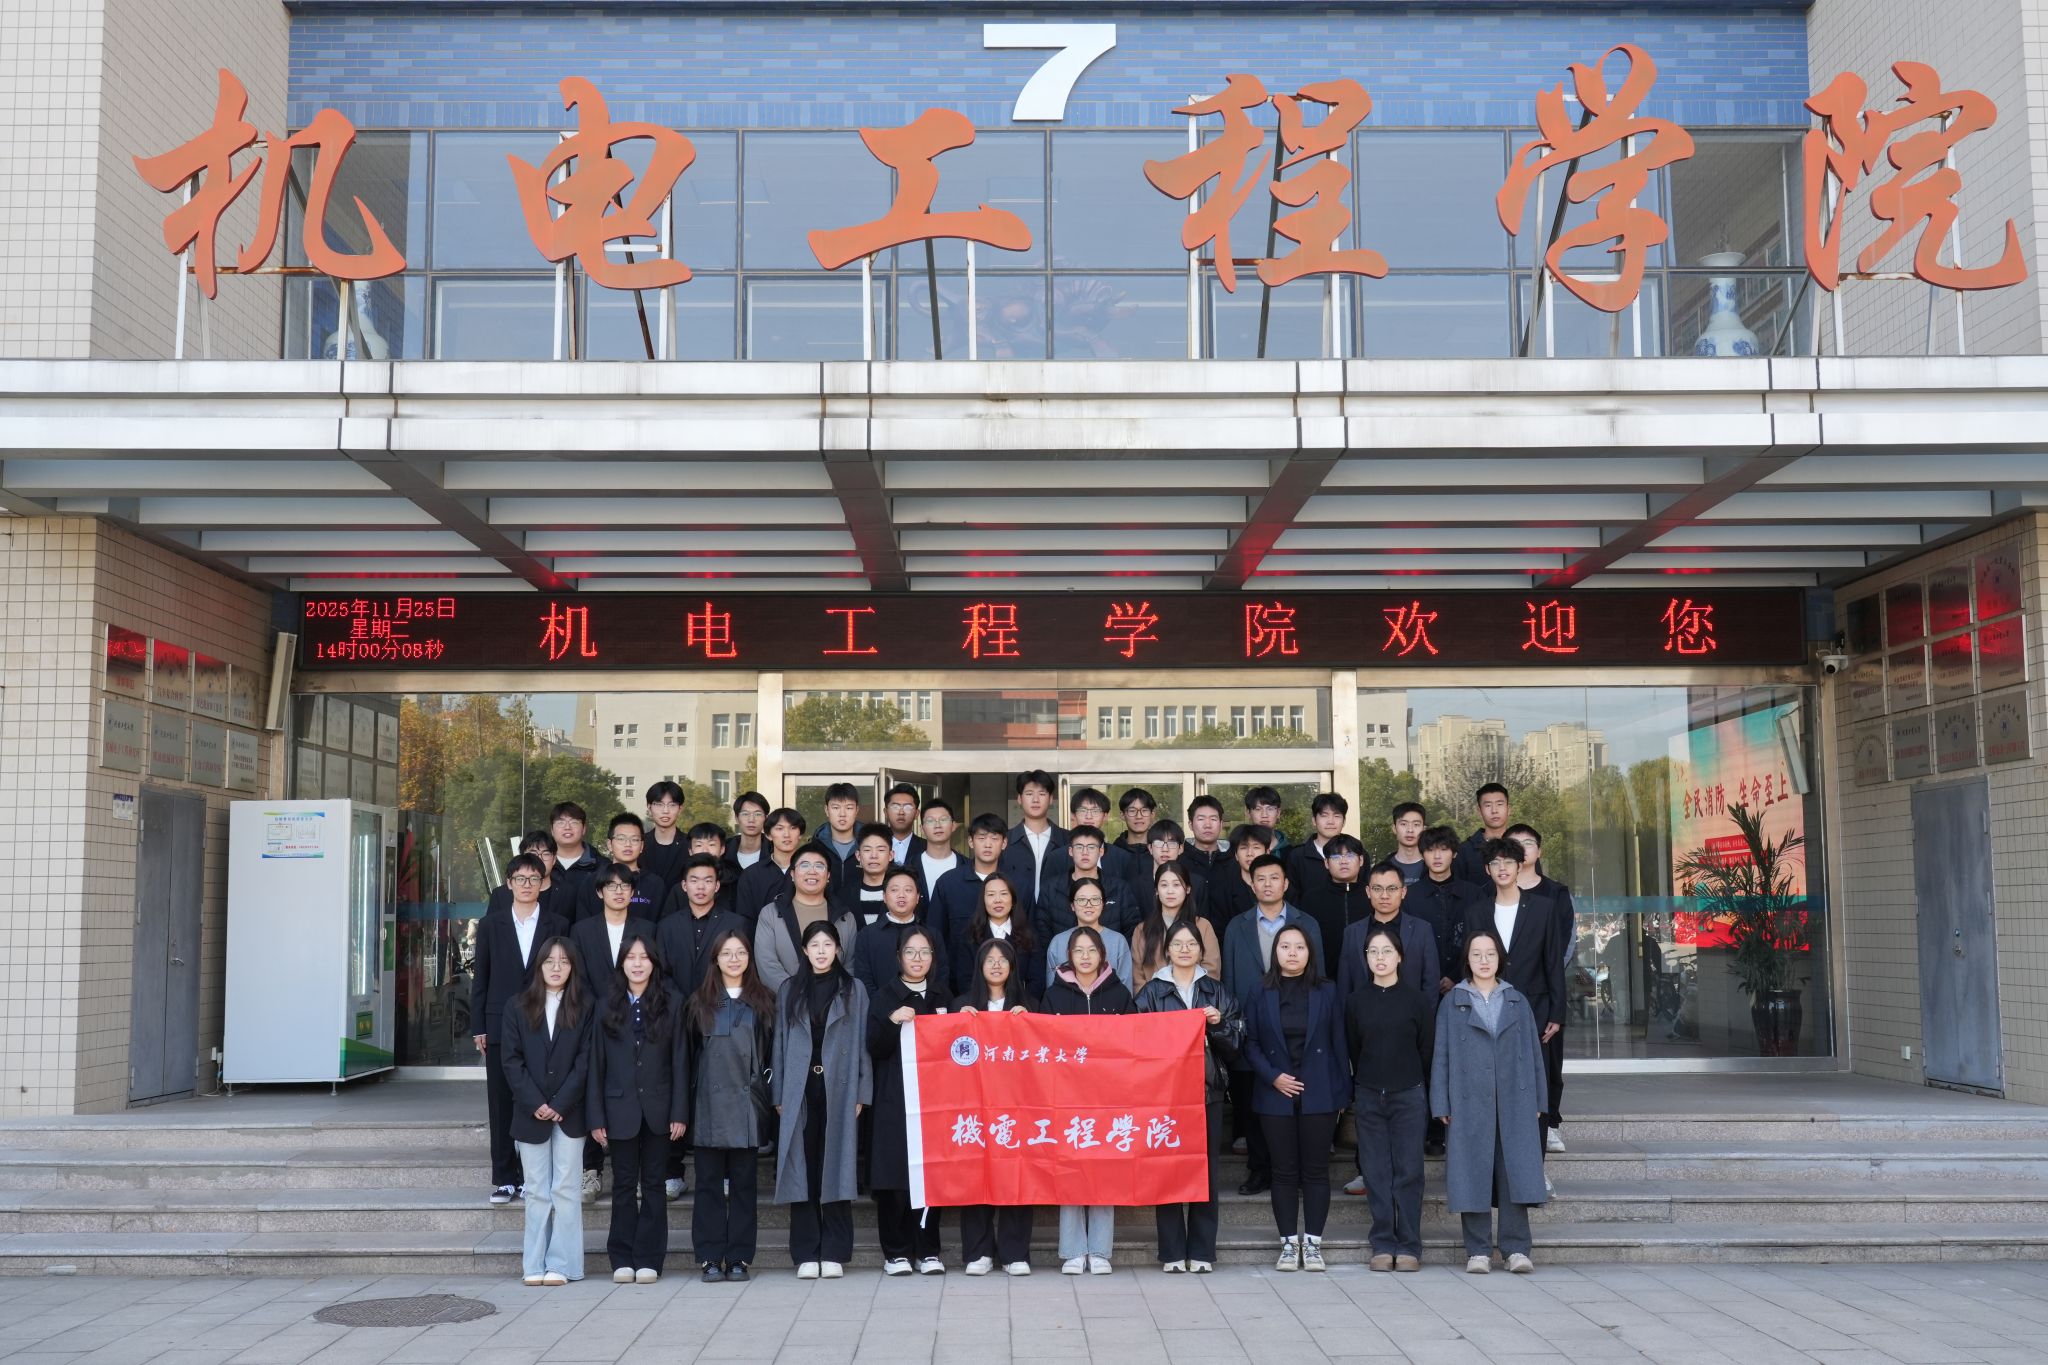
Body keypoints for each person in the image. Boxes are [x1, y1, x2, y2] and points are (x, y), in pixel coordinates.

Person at [1433, 928, 1548, 1274]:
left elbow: (1534, 1053)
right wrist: (1441, 1102)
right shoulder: (1453, 1002)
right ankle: (1478, 1250)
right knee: (1472, 1173)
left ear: (1500, 958)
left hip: (1515, 1099)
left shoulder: (1517, 1000)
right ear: (1467, 960)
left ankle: (1516, 1249)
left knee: (1515, 1173)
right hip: (1468, 1101)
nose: (1484, 961)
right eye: (1476, 954)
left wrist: (1539, 1099)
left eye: (1490, 954)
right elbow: (1441, 1055)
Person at [1133, 919, 1241, 1274]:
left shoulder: (1216, 992)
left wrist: (1218, 1025)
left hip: (1207, 1093)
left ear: (1200, 950)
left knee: (1205, 1170)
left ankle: (1203, 1251)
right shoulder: (1151, 992)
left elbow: (1236, 1045)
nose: (1184, 949)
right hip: (1165, 1096)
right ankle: (1172, 1252)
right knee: (1168, 1171)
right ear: (1167, 949)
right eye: (1177, 944)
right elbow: (1135, 1044)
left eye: (1191, 944)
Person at [1242, 923, 1346, 1273]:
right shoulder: (1259, 990)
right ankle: (1288, 1243)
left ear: (1309, 952)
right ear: (1275, 952)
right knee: (1283, 1171)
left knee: (1316, 1171)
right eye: (1285, 946)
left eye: (1299, 947)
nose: (1292, 953)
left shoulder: (1327, 990)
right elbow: (1251, 1043)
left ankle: (1313, 1243)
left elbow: (1338, 1041)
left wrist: (1342, 1093)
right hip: (1275, 1092)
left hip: (1320, 1092)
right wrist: (1273, 1077)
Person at [772, 920, 871, 1279]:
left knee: (836, 1166)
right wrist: (778, 1092)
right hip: (799, 1087)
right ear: (804, 950)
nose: (821, 951)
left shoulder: (853, 988)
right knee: (803, 1167)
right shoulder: (789, 989)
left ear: (838, 949)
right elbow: (779, 1043)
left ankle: (834, 1251)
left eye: (827, 944)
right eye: (814, 945)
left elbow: (863, 1042)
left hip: (839, 1087)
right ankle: (805, 1252)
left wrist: (863, 1090)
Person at [587, 934, 689, 1285]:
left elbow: (680, 1061)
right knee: (624, 1184)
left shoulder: (673, 1003)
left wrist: (680, 1111)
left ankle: (649, 1258)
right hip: (619, 1108)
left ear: (654, 963)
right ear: (622, 964)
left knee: (655, 1184)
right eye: (631, 957)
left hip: (660, 1107)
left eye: (644, 957)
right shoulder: (605, 1005)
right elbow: (596, 1064)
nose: (637, 963)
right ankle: (622, 1257)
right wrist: (596, 1116)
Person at [1220, 852, 1322, 1197]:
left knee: (1298, 1103)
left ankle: (1297, 1172)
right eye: (1260, 879)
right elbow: (1230, 980)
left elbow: (1318, 976)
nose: (1267, 884)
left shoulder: (1307, 923)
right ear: (1251, 884)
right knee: (1253, 1103)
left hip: (1298, 1030)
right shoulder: (1236, 926)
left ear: (1286, 883)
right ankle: (1259, 1169)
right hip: (1252, 1028)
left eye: (1274, 878)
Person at [473, 853, 569, 1206]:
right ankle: (504, 1178)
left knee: (535, 1098)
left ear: (543, 883)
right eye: (520, 878)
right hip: (499, 1023)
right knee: (500, 1102)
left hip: (545, 1021)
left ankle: (533, 1178)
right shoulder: (491, 924)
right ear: (509, 883)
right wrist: (479, 1026)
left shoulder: (558, 923)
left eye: (534, 879)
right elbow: (481, 977)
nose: (527, 885)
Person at [1464, 838, 1564, 1171]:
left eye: (1508, 861)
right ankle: (1499, 1171)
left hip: (1535, 1010)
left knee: (1534, 1089)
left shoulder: (1544, 908)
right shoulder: (1477, 911)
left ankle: (1535, 1170)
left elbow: (1553, 962)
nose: (1502, 868)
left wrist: (1557, 1012)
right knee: (1494, 1088)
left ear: (1520, 866)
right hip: (1488, 1009)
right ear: (1487, 869)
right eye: (1495, 863)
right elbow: (1469, 963)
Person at [499, 936, 592, 1287]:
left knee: (566, 1190)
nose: (556, 968)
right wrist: (535, 1102)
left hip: (570, 1112)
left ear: (573, 968)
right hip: (529, 1112)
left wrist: (560, 1102)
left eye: (564, 962)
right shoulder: (517, 1006)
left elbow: (586, 1060)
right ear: (539, 966)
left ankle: (563, 1265)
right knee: (537, 1190)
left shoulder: (585, 1006)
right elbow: (511, 1061)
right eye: (550, 961)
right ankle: (534, 1263)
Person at [685, 927, 775, 1283]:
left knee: (744, 1186)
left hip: (747, 1104)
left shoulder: (764, 1001)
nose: (734, 959)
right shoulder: (699, 1002)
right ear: (716, 959)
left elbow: (771, 1056)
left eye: (740, 953)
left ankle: (739, 1257)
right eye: (726, 953)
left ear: (749, 958)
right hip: (708, 1105)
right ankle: (709, 1257)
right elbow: (689, 1058)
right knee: (707, 1184)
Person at [1041, 926, 1132, 1274]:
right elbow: (1042, 1043)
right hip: (1066, 1096)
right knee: (1070, 1170)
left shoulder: (1119, 993)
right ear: (1068, 956)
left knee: (1104, 1170)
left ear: (1102, 955)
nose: (1085, 956)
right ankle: (1073, 1251)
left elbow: (1135, 1041)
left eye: (1091, 950)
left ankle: (1101, 1251)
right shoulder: (1054, 995)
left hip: (1109, 1096)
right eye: (1078, 950)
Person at [571, 864, 658, 1203]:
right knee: (593, 1089)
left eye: (625, 886)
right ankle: (591, 1170)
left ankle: (636, 1174)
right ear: (599, 892)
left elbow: (653, 972)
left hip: (636, 1023)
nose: (619, 892)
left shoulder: (647, 928)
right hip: (593, 1021)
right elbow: (578, 979)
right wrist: (600, 1010)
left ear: (633, 892)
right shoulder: (582, 930)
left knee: (634, 1093)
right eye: (611, 886)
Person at [1348, 925, 1433, 1273]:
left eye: (1386, 951)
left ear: (1399, 956)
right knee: (1375, 1171)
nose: (1380, 958)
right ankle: (1383, 1243)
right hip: (1369, 1095)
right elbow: (1354, 1048)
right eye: (1373, 952)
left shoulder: (1417, 1000)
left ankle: (1409, 1245)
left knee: (1409, 1170)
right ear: (1365, 959)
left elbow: (1425, 1050)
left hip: (1409, 1094)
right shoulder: (1356, 1001)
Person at [949, 939, 1036, 1276]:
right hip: (975, 1107)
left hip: (1018, 1107)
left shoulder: (1028, 1005)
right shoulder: (962, 1005)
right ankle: (978, 1251)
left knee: (1018, 1174)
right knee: (976, 1173)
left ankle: (1015, 1253)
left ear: (1013, 966)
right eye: (990, 959)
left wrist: (1030, 1023)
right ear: (979, 966)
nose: (997, 965)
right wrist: (956, 1025)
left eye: (1003, 959)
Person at [867, 926, 948, 1276]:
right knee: (895, 1177)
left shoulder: (943, 996)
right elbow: (873, 1046)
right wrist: (891, 1021)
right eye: (911, 952)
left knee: (931, 1176)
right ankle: (896, 1252)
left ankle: (928, 1250)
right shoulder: (884, 996)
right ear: (899, 957)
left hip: (934, 1101)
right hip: (894, 1099)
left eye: (924, 952)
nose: (918, 959)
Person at [1506, 823, 1577, 1153]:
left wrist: (1547, 979)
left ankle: (1549, 1124)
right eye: (1514, 843)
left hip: (1544, 989)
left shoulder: (1556, 893)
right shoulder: (1493, 891)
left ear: (1539, 851)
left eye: (1528, 843)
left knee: (1547, 1062)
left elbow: (1565, 944)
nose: (1522, 849)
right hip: (1503, 989)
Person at [755, 847, 862, 994]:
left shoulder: (845, 917)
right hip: (787, 1001)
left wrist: (831, 996)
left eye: (819, 866)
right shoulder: (771, 913)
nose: (812, 871)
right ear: (792, 874)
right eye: (804, 865)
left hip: (835, 1001)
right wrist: (795, 995)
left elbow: (850, 965)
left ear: (828, 875)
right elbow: (767, 964)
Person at [1336, 863, 1441, 1005]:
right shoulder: (1352, 932)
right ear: (1368, 891)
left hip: (1410, 1014)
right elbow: (1344, 986)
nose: (1384, 896)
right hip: (1361, 1015)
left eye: (1392, 888)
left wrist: (1424, 1016)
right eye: (1377, 889)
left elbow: (1431, 983)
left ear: (1403, 892)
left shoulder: (1422, 929)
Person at [953, 872, 1043, 1000]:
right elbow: (965, 980)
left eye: (1004, 894)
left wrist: (1022, 1004)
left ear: (1013, 900)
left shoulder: (1029, 936)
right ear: (983, 901)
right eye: (991, 895)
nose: (998, 900)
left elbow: (1036, 981)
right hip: (979, 1007)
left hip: (1020, 1007)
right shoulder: (969, 936)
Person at [1034, 827, 1135, 939]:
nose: (1085, 852)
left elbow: (1131, 930)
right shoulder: (1050, 888)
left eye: (1091, 847)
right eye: (1079, 847)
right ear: (1070, 851)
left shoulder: (1119, 888)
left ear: (1101, 852)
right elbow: (1042, 931)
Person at [931, 812, 1006, 964]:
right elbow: (934, 935)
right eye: (981, 838)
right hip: (958, 974)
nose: (988, 844)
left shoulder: (1018, 884)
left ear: (1004, 843)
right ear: (971, 842)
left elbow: (1028, 937)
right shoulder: (948, 883)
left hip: (1006, 972)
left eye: (994, 838)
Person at [853, 867, 941, 996]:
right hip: (879, 1007)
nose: (901, 895)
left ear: (917, 897)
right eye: (894, 890)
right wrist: (883, 1005)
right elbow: (863, 980)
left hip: (925, 1007)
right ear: (884, 897)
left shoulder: (932, 934)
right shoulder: (867, 935)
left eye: (908, 890)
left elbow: (940, 976)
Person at [997, 769, 1068, 916]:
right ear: (1019, 799)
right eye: (1029, 794)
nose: (1035, 800)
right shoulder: (1004, 841)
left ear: (1050, 799)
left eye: (1042, 794)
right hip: (1016, 919)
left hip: (1059, 918)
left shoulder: (1067, 840)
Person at [1131, 862, 1220, 978]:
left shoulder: (1203, 926)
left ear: (1188, 889)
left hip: (1196, 990)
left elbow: (1211, 972)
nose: (1170, 891)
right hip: (1151, 990)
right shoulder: (1142, 930)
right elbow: (1138, 978)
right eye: (1164, 885)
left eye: (1176, 885)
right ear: (1156, 890)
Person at [1044, 878, 1134, 989]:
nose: (1088, 904)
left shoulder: (1118, 941)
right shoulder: (1058, 942)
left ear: (1103, 904)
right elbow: (1052, 990)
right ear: (1072, 905)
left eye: (1095, 899)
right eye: (1082, 900)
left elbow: (1125, 990)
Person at [1300, 832, 1369, 958]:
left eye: (1350, 855)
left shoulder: (1373, 896)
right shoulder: (1311, 899)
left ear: (1361, 860)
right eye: (1336, 857)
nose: (1343, 861)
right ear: (1326, 863)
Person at [735, 808, 807, 923]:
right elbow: (744, 920)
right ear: (768, 835)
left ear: (800, 834)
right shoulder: (751, 874)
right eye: (779, 828)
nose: (787, 834)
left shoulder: (812, 872)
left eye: (793, 828)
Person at [1208, 822, 1275, 934]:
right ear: (1236, 855)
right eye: (1244, 848)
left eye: (1256, 847)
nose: (1250, 853)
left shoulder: (1281, 887)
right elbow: (1219, 932)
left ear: (1267, 852)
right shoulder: (1222, 891)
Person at [1284, 792, 1350, 902]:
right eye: (1324, 815)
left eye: (1337, 816)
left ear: (1344, 821)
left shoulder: (1356, 854)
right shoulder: (1297, 856)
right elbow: (1292, 899)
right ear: (1314, 820)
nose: (1330, 821)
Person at [833, 825, 895, 929]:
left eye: (880, 850)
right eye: (867, 850)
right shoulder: (843, 896)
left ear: (890, 855)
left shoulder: (900, 894)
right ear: (858, 856)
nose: (874, 856)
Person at [1453, 783, 1512, 885]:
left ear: (1509, 809)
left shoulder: (1520, 845)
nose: (1494, 811)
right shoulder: (1465, 850)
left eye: (1499, 804)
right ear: (1479, 812)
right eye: (1488, 805)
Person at [549, 801, 604, 907]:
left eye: (574, 822)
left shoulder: (602, 866)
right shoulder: (542, 865)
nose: (567, 827)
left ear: (584, 829)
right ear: (552, 830)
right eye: (560, 822)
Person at [641, 781, 691, 892]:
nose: (665, 811)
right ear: (649, 807)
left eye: (672, 805)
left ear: (680, 809)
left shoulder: (690, 845)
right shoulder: (639, 844)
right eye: (659, 804)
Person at [913, 798, 960, 901]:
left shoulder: (969, 866)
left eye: (943, 820)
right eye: (930, 821)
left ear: (953, 826)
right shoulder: (910, 866)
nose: (937, 825)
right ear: (922, 829)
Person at [724, 791, 771, 873]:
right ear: (737, 818)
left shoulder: (775, 851)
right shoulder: (723, 850)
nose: (751, 820)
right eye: (745, 814)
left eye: (758, 814)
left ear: (766, 819)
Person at [882, 783, 926, 867]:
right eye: (895, 807)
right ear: (886, 812)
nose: (901, 812)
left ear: (917, 814)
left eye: (907, 807)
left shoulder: (927, 848)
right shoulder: (873, 846)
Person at [1388, 803, 1428, 885]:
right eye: (1403, 824)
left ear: (1424, 829)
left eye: (1416, 825)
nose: (1410, 830)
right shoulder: (1383, 868)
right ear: (1394, 828)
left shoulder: (1435, 866)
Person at [1242, 786, 1287, 853]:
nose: (1264, 815)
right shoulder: (1239, 848)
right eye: (1258, 809)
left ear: (1278, 813)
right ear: (1248, 813)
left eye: (1270, 809)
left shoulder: (1291, 852)